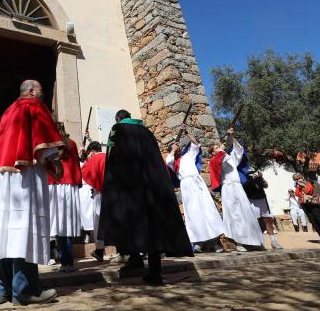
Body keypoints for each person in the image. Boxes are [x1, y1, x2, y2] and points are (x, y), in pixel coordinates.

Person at [0, 79, 63, 306]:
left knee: (3, 232)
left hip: (2, 179)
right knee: (23, 232)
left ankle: (1, 289)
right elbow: (47, 145)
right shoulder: (33, 106)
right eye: (41, 92)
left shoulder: (7, 112)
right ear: (32, 91)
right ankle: (25, 292)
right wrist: (56, 164)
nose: (43, 96)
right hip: (24, 176)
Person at [99, 109, 193, 285]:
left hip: (129, 186)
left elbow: (113, 158)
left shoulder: (117, 129)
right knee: (153, 226)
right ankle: (154, 272)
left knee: (128, 222)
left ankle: (134, 259)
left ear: (118, 119)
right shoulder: (146, 132)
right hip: (152, 185)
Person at [209, 129, 264, 251]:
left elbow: (239, 150)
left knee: (246, 213)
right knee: (235, 215)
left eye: (218, 146)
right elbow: (219, 161)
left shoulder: (228, 156)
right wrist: (221, 149)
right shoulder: (214, 160)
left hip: (238, 187)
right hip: (228, 189)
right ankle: (239, 242)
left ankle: (254, 241)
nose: (219, 148)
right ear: (213, 152)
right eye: (216, 147)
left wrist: (232, 136)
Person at [177, 125, 225, 253]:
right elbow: (169, 159)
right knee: (193, 214)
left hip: (197, 183)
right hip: (187, 187)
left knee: (207, 210)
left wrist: (187, 133)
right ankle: (198, 243)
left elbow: (196, 144)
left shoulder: (188, 156)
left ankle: (214, 243)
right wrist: (173, 148)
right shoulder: (173, 162)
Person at [48, 123, 82, 273]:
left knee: (58, 224)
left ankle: (66, 261)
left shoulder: (50, 142)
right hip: (70, 185)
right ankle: (68, 261)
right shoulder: (72, 143)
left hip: (56, 184)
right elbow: (75, 164)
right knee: (66, 225)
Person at [243, 168, 283, 249]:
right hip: (252, 201)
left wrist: (261, 177)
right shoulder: (244, 179)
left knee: (267, 220)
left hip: (262, 199)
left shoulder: (259, 178)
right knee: (255, 222)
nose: (253, 173)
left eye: (254, 172)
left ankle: (273, 241)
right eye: (252, 172)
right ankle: (259, 242)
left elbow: (266, 185)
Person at [81, 141, 105, 262]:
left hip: (100, 194)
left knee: (99, 223)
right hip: (113, 194)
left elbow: (84, 171)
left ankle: (99, 251)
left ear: (92, 152)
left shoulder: (93, 159)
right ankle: (123, 251)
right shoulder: (109, 156)